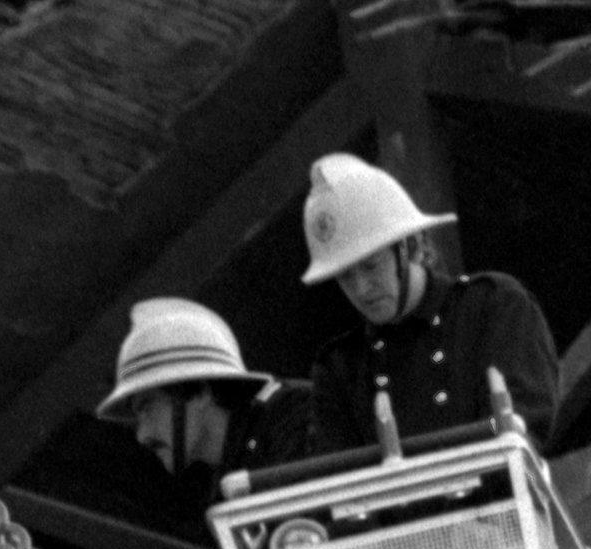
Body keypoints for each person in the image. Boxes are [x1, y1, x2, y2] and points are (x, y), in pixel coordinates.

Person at [299, 153, 558, 452]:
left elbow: (525, 426)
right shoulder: (340, 369)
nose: (361, 288)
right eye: (344, 276)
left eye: (371, 266)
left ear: (412, 245)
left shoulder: (492, 306)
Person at [95, 297, 312, 499]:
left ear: (199, 392)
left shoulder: (297, 417)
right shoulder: (223, 486)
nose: (142, 436)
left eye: (146, 407)